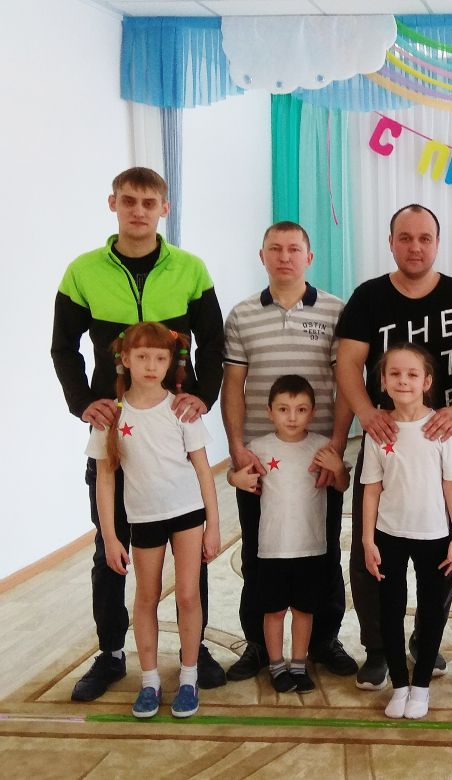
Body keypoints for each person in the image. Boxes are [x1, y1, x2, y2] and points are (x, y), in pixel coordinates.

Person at [52, 167, 225, 702]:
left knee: (190, 554)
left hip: (172, 436)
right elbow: (63, 348)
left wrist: (204, 395)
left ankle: (195, 651)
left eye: (149, 203)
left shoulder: (190, 269)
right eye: (129, 201)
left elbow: (214, 343)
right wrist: (83, 403)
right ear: (113, 204)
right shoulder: (83, 272)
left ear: (163, 209)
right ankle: (111, 652)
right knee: (110, 548)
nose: (139, 211)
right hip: (117, 434)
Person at [337, 204, 452, 689]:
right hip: (386, 436)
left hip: (447, 437)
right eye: (405, 237)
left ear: (437, 243)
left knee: (443, 543)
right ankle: (378, 648)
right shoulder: (368, 297)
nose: (415, 247)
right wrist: (366, 413)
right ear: (391, 242)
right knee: (372, 543)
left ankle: (427, 640)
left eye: (425, 238)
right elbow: (348, 364)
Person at [222, 221, 357, 683]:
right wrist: (237, 449)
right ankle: (259, 645)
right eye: (275, 249)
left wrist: (336, 446)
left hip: (318, 458)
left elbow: (345, 383)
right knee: (259, 554)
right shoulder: (242, 315)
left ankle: (325, 640)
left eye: (294, 249)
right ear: (262, 256)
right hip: (261, 461)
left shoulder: (336, 310)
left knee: (324, 554)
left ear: (309, 257)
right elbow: (233, 386)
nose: (285, 257)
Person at [88, 322, 220, 719]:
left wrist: (213, 525)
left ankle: (189, 677)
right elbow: (105, 480)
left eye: (160, 358)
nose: (151, 365)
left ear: (170, 363)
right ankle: (149, 682)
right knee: (146, 598)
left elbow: (203, 470)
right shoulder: (112, 415)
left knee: (188, 596)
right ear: (125, 359)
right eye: (142, 356)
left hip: (187, 515)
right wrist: (111, 537)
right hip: (143, 519)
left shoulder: (182, 410)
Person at [361, 344, 452, 720]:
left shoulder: (442, 429)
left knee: (431, 610)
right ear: (383, 381)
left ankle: (421, 686)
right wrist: (367, 539)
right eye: (394, 374)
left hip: (434, 534)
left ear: (427, 381)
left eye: (412, 374)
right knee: (390, 610)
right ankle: (399, 686)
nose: (403, 381)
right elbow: (371, 489)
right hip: (389, 533)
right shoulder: (379, 431)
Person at [228, 375, 350, 694]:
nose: (292, 417)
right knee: (274, 611)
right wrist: (234, 479)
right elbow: (235, 474)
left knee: (304, 610)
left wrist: (338, 468)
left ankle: (298, 664)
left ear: (312, 412)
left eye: (301, 409)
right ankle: (276, 665)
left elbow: (341, 484)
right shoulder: (259, 447)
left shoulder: (322, 446)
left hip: (311, 548)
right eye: (283, 409)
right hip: (272, 549)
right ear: (270, 412)